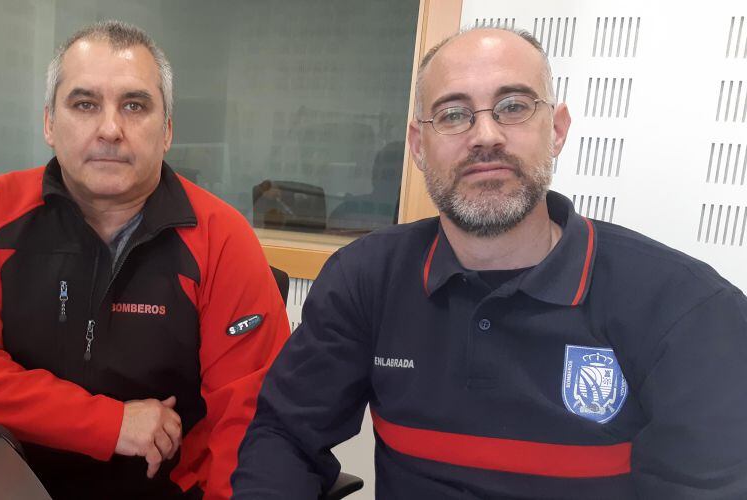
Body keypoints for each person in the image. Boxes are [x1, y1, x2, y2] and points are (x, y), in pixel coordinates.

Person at [232, 27, 747, 499]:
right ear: (418, 146)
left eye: (514, 106)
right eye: (453, 114)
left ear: (558, 130)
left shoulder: (688, 310)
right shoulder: (366, 278)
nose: (485, 136)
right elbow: (285, 436)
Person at [0, 20, 289, 500]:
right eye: (84, 104)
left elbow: (250, 423)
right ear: (49, 122)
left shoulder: (223, 239)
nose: (110, 129)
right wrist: (109, 424)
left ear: (168, 130)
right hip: (8, 480)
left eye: (134, 105)